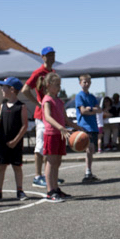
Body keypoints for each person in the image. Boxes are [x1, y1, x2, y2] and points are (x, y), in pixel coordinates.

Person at [21, 46, 57, 188]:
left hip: (51, 114)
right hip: (41, 115)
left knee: (49, 146)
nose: (51, 57)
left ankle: (49, 176)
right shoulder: (38, 72)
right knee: (40, 145)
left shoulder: (53, 72)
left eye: (53, 54)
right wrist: (38, 103)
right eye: (48, 55)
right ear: (42, 57)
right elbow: (25, 90)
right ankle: (37, 176)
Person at [42, 72, 80, 202]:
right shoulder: (47, 100)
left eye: (60, 85)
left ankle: (56, 188)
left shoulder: (59, 101)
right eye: (57, 85)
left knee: (57, 162)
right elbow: (47, 117)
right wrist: (60, 127)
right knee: (51, 162)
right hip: (51, 134)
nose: (59, 87)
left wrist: (78, 128)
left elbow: (66, 119)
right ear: (48, 85)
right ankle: (50, 191)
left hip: (60, 134)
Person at [0, 77, 29, 203]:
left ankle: (20, 190)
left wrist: (15, 141)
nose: (2, 89)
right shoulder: (2, 106)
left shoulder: (21, 106)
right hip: (2, 142)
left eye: (4, 87)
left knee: (17, 167)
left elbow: (24, 126)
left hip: (15, 143)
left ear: (12, 89)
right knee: (1, 167)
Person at [75, 74, 102, 183]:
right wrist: (92, 109)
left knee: (92, 150)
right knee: (89, 148)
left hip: (93, 126)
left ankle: (89, 171)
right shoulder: (79, 96)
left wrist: (89, 109)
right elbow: (82, 111)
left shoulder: (92, 97)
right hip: (85, 126)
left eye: (88, 82)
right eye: (84, 82)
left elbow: (99, 110)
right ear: (80, 83)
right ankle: (87, 172)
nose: (86, 84)